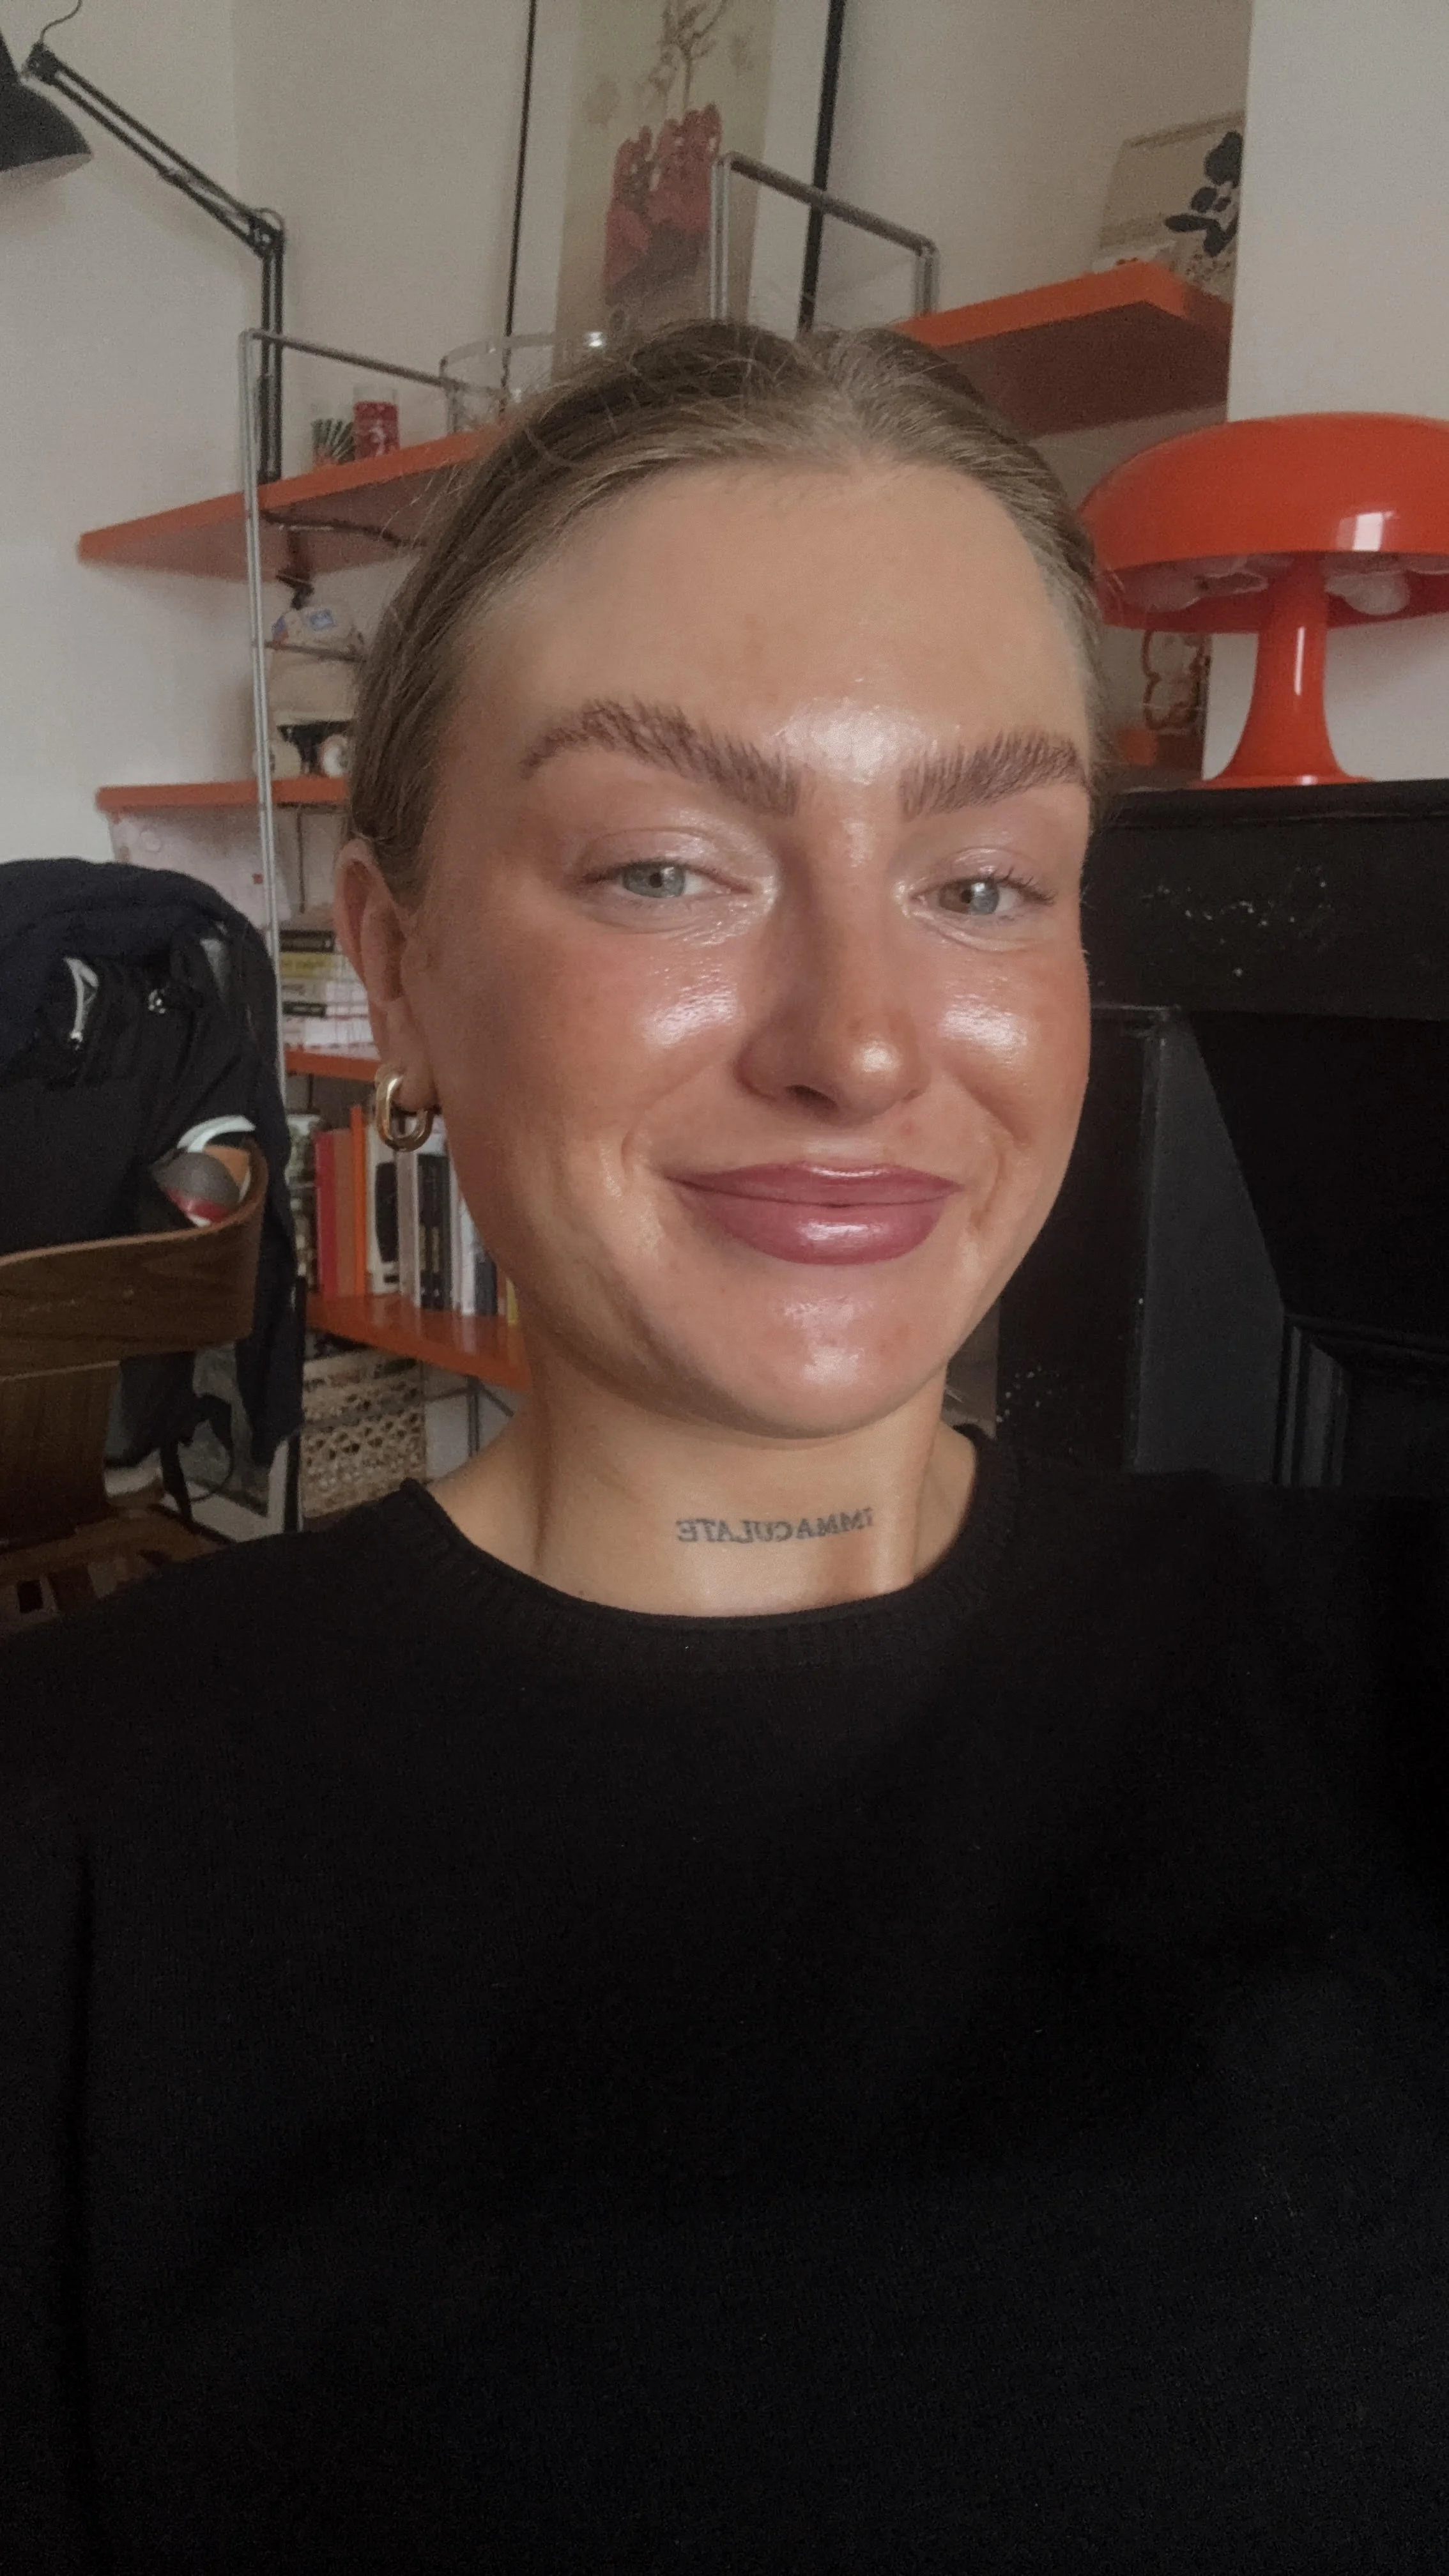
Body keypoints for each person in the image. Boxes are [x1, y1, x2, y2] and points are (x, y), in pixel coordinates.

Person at [3, 319, 1446, 2573]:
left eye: (983, 881)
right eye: (666, 866)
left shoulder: (1387, 1679)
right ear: (393, 958)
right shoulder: (65, 1840)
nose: (861, 1045)